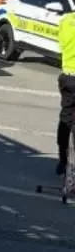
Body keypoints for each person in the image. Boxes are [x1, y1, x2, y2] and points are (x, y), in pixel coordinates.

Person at [55, 12, 75, 179]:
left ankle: (62, 160)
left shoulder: (65, 20)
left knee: (66, 118)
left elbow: (61, 46)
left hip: (67, 76)